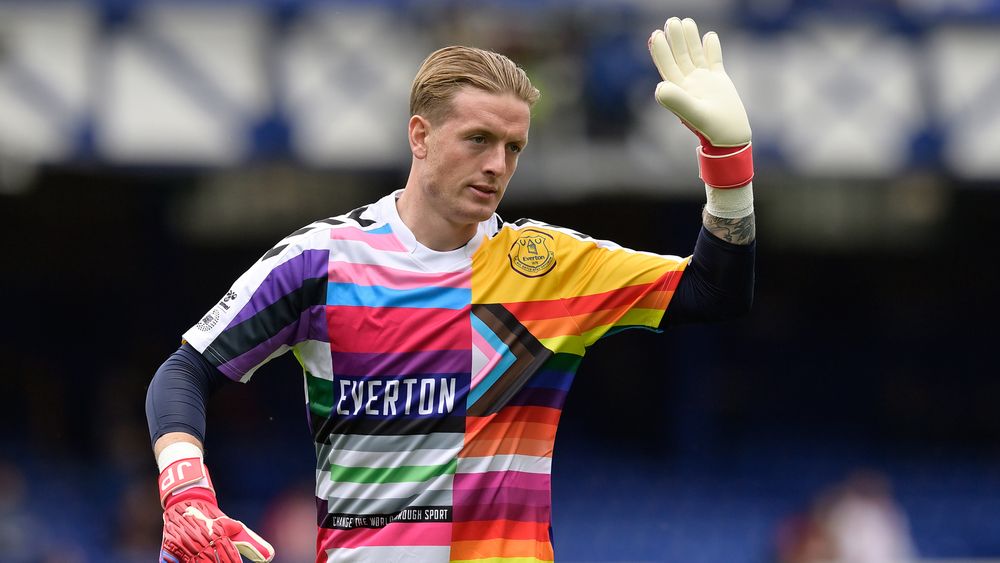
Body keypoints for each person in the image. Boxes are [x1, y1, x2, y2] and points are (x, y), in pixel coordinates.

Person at [146, 16, 756, 563]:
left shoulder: (550, 266)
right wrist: (184, 491)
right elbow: (185, 371)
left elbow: (713, 291)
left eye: (513, 147)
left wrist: (728, 163)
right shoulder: (321, 261)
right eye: (478, 140)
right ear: (420, 136)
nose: (497, 165)